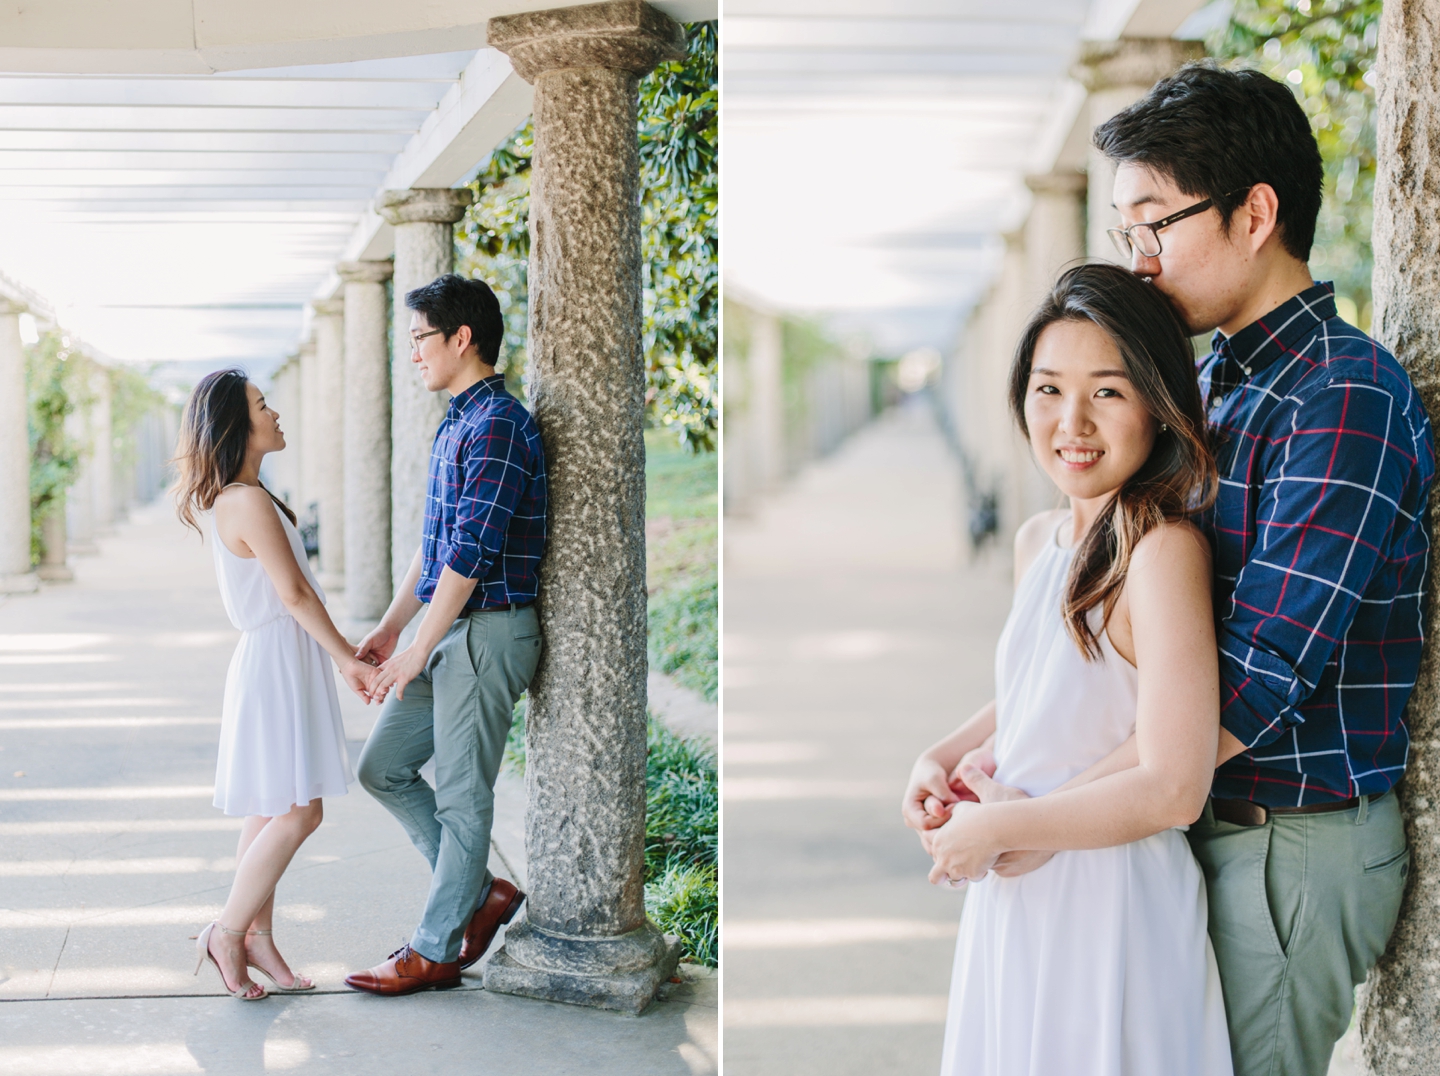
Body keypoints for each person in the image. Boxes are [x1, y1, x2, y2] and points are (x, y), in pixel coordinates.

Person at [904, 263, 1232, 1074]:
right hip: (1018, 884)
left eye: (1109, 392)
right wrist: (943, 757)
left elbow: (1174, 782)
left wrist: (1002, 829)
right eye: (1049, 389)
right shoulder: (1039, 541)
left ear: (1159, 405)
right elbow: (1044, 690)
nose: (1072, 421)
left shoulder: (1161, 552)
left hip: (1110, 896)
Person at [344, 274, 546, 996]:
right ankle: (480, 894)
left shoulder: (498, 424)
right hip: (442, 628)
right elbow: (433, 549)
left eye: (421, 339)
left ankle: (433, 950)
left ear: (463, 338)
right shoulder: (457, 420)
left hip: (485, 634)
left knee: (463, 798)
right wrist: (392, 628)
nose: (414, 354)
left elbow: (471, 553)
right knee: (382, 768)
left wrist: (416, 649)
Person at [175, 369, 376, 1001]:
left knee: (270, 807)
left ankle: (258, 937)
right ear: (239, 425)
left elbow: (293, 591)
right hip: (275, 661)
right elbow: (291, 593)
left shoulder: (248, 494)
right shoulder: (245, 500)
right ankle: (228, 931)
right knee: (298, 811)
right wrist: (346, 658)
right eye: (264, 406)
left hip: (278, 659)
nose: (277, 413)